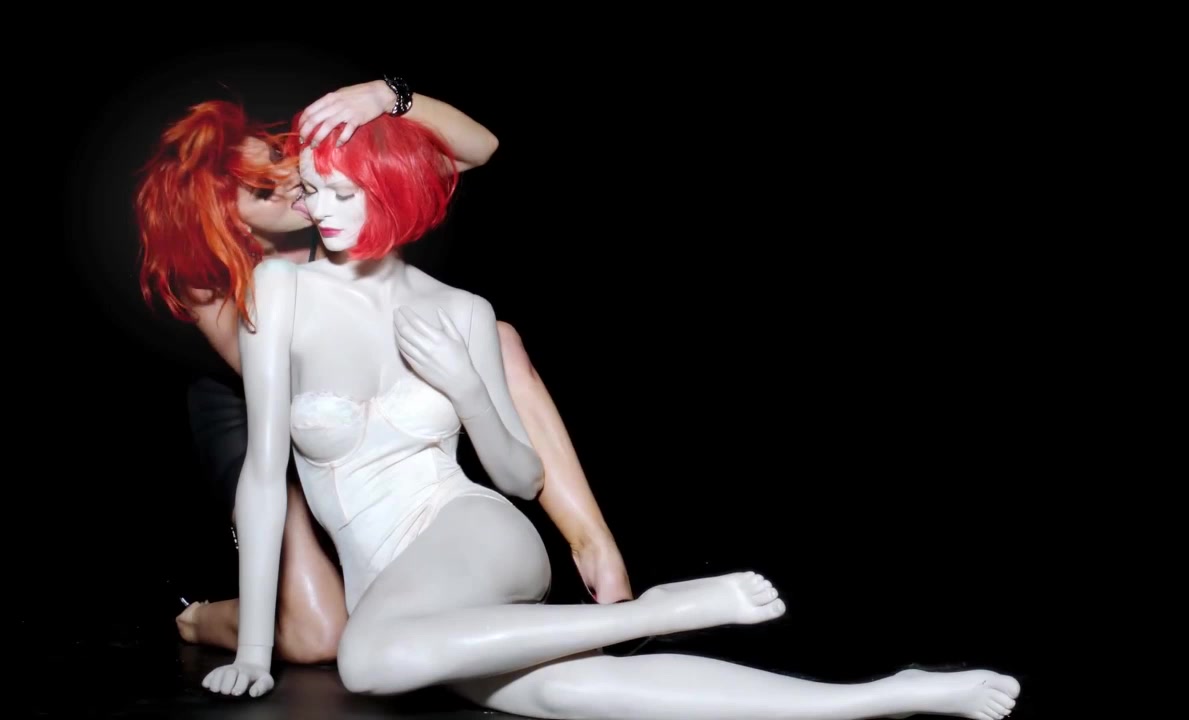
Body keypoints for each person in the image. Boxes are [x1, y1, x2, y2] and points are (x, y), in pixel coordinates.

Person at [202, 108, 1022, 720]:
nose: (321, 209)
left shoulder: (461, 310)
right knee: (567, 693)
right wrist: (255, 652)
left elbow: (520, 477)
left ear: (396, 193)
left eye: (345, 192)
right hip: (400, 586)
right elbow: (266, 476)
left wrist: (469, 389)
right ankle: (887, 696)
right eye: (314, 190)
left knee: (369, 660)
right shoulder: (282, 289)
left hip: (474, 532)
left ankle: (652, 611)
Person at [134, 77, 633, 665]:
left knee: (497, 339)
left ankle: (596, 550)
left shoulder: (330, 200)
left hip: (359, 409)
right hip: (251, 414)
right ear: (233, 221)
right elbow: (295, 381)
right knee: (319, 637)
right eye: (263, 189)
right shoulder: (211, 279)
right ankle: (199, 618)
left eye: (276, 156)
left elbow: (481, 149)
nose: (292, 180)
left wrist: (387, 97)